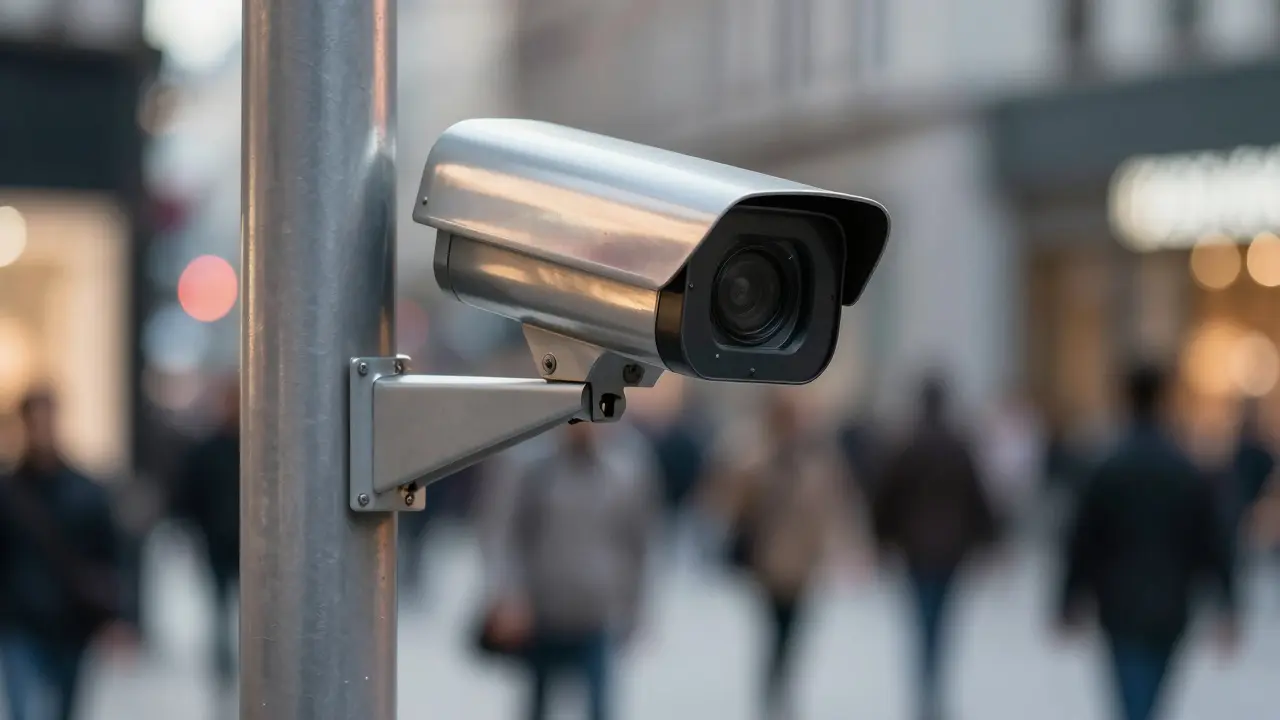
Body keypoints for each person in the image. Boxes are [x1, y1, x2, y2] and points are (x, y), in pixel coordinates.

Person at [1058, 365, 1238, 720]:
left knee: (1132, 692)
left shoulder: (1109, 467)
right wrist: (1227, 604)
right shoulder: (1187, 469)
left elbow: (1083, 539)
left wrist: (1069, 596)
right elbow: (1214, 541)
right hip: (1172, 598)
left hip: (1118, 599)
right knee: (1150, 692)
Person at [480, 420, 659, 720]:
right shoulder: (536, 469)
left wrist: (636, 606)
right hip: (542, 610)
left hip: (596, 612)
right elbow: (505, 536)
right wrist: (509, 594)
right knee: (537, 702)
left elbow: (637, 545)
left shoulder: (625, 471)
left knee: (600, 704)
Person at [705, 389, 863, 720]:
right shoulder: (757, 456)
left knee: (793, 632)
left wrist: (844, 547)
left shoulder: (818, 458)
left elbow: (835, 505)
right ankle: (774, 693)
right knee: (776, 630)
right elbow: (728, 501)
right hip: (768, 563)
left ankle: (780, 688)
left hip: (803, 563)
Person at [872, 376, 999, 720]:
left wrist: (882, 539)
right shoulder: (958, 446)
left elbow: (886, 498)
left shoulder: (908, 445)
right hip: (951, 548)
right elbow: (978, 497)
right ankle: (932, 684)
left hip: (915, 548)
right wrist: (989, 540)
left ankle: (926, 685)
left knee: (923, 617)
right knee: (941, 618)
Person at [0, 389, 131, 720]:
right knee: (24, 707)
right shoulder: (10, 492)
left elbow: (110, 554)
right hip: (20, 619)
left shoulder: (85, 489)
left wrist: (116, 616)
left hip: (71, 620)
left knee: (64, 707)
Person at [172, 380, 240, 691]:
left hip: (246, 544)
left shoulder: (252, 447)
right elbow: (189, 494)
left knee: (247, 605)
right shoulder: (207, 450)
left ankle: (244, 655)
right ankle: (224, 661)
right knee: (219, 604)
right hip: (216, 541)